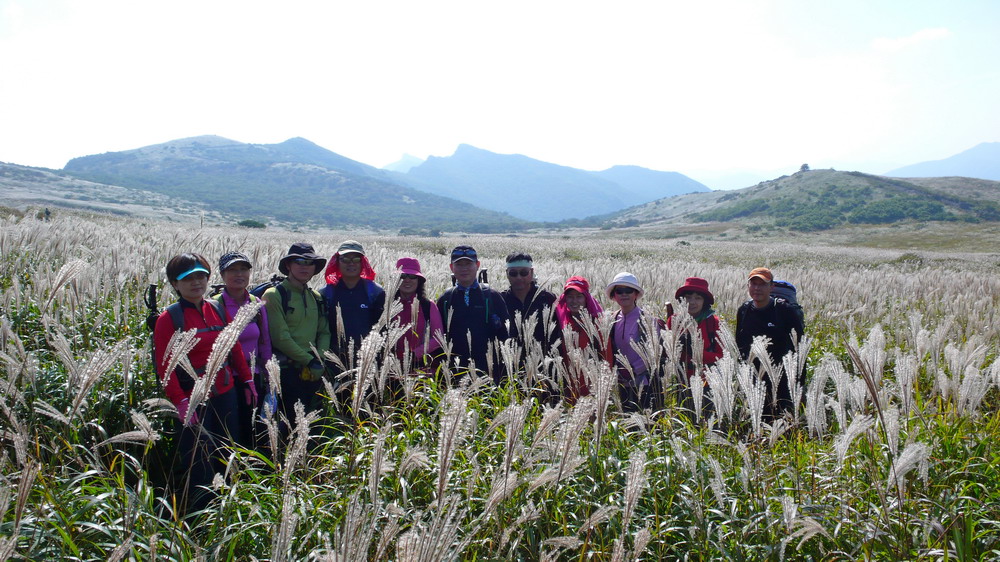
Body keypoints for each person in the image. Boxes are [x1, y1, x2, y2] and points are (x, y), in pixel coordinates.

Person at [153, 253, 257, 514]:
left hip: (225, 391)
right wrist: (181, 401)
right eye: (188, 278)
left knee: (228, 447)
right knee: (198, 458)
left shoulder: (217, 308)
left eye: (201, 275)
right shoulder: (169, 318)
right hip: (193, 398)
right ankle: (202, 513)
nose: (196, 282)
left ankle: (229, 505)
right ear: (175, 284)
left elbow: (232, 348)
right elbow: (165, 367)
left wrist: (246, 380)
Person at [263, 243, 331, 425]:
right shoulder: (274, 295)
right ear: (288, 265)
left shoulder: (316, 297)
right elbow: (280, 337)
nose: (304, 266)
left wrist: (320, 359)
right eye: (299, 261)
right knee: (285, 424)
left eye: (309, 262)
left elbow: (324, 331)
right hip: (286, 372)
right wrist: (309, 360)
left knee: (310, 425)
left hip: (313, 372)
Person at [215, 251, 274, 448]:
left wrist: (269, 375)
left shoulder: (256, 303)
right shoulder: (215, 304)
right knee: (230, 428)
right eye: (232, 270)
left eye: (243, 269)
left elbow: (264, 342)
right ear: (222, 275)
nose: (239, 274)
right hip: (226, 378)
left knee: (254, 427)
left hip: (253, 375)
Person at [735, 267, 806, 420]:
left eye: (762, 284)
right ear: (748, 286)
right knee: (756, 420)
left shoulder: (785, 311)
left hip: (782, 380)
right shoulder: (744, 310)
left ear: (771, 287)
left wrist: (799, 381)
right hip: (753, 379)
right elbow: (739, 344)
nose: (757, 288)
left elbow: (801, 346)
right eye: (753, 284)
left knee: (782, 423)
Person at [437, 245, 510, 383]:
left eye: (468, 264)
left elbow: (506, 334)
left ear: (477, 265)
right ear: (451, 267)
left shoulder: (492, 296)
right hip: (455, 372)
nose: (464, 268)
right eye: (459, 264)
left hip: (489, 372)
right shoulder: (446, 299)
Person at [604, 272, 664, 413]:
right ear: (614, 295)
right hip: (622, 383)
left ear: (636, 294)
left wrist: (632, 371)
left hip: (645, 384)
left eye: (628, 291)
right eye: (619, 291)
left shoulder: (647, 320)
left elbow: (653, 352)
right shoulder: (612, 319)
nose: (624, 294)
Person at [321, 240, 386, 365]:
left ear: (363, 262)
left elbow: (382, 329)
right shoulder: (326, 293)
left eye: (356, 259)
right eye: (345, 259)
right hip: (334, 360)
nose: (351, 263)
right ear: (337, 262)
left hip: (367, 360)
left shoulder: (375, 292)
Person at [667, 277, 723, 418]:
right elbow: (667, 353)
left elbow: (722, 357)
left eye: (698, 298)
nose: (692, 302)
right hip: (681, 382)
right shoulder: (674, 320)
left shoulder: (714, 322)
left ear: (704, 302)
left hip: (707, 383)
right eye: (688, 297)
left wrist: (696, 351)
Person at [388, 257, 444, 374]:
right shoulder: (386, 305)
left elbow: (438, 338)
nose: (407, 280)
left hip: (421, 369)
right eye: (402, 276)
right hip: (390, 369)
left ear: (419, 281)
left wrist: (414, 353)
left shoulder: (428, 306)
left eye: (412, 276)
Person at [554, 275, 603, 402]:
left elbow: (606, 357)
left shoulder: (597, 324)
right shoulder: (562, 323)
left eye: (579, 296)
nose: (574, 301)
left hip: (592, 390)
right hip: (570, 389)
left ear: (586, 299)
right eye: (570, 296)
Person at [501, 252, 560, 357]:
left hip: (543, 363)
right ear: (507, 274)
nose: (519, 277)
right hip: (511, 364)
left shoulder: (547, 298)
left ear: (531, 272)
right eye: (513, 273)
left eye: (524, 272)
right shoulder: (501, 299)